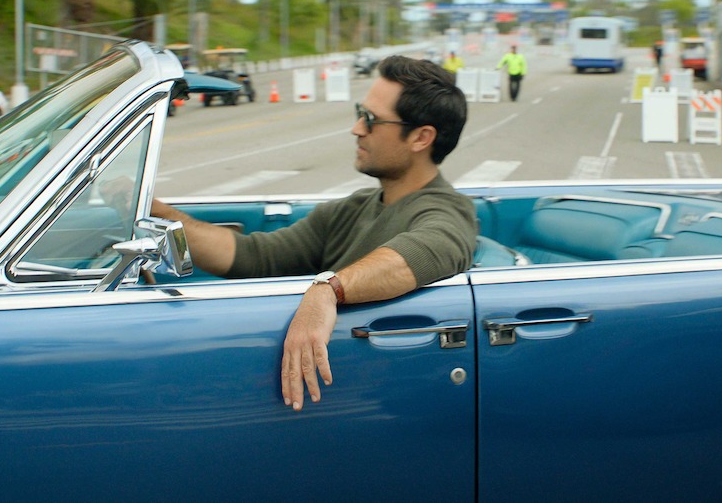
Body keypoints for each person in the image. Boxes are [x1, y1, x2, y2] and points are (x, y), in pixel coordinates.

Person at [146, 55, 477, 412]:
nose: (357, 129)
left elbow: (421, 254)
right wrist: (157, 212)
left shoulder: (447, 211)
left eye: (371, 120)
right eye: (358, 113)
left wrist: (327, 291)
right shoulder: (355, 207)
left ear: (421, 137)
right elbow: (254, 257)